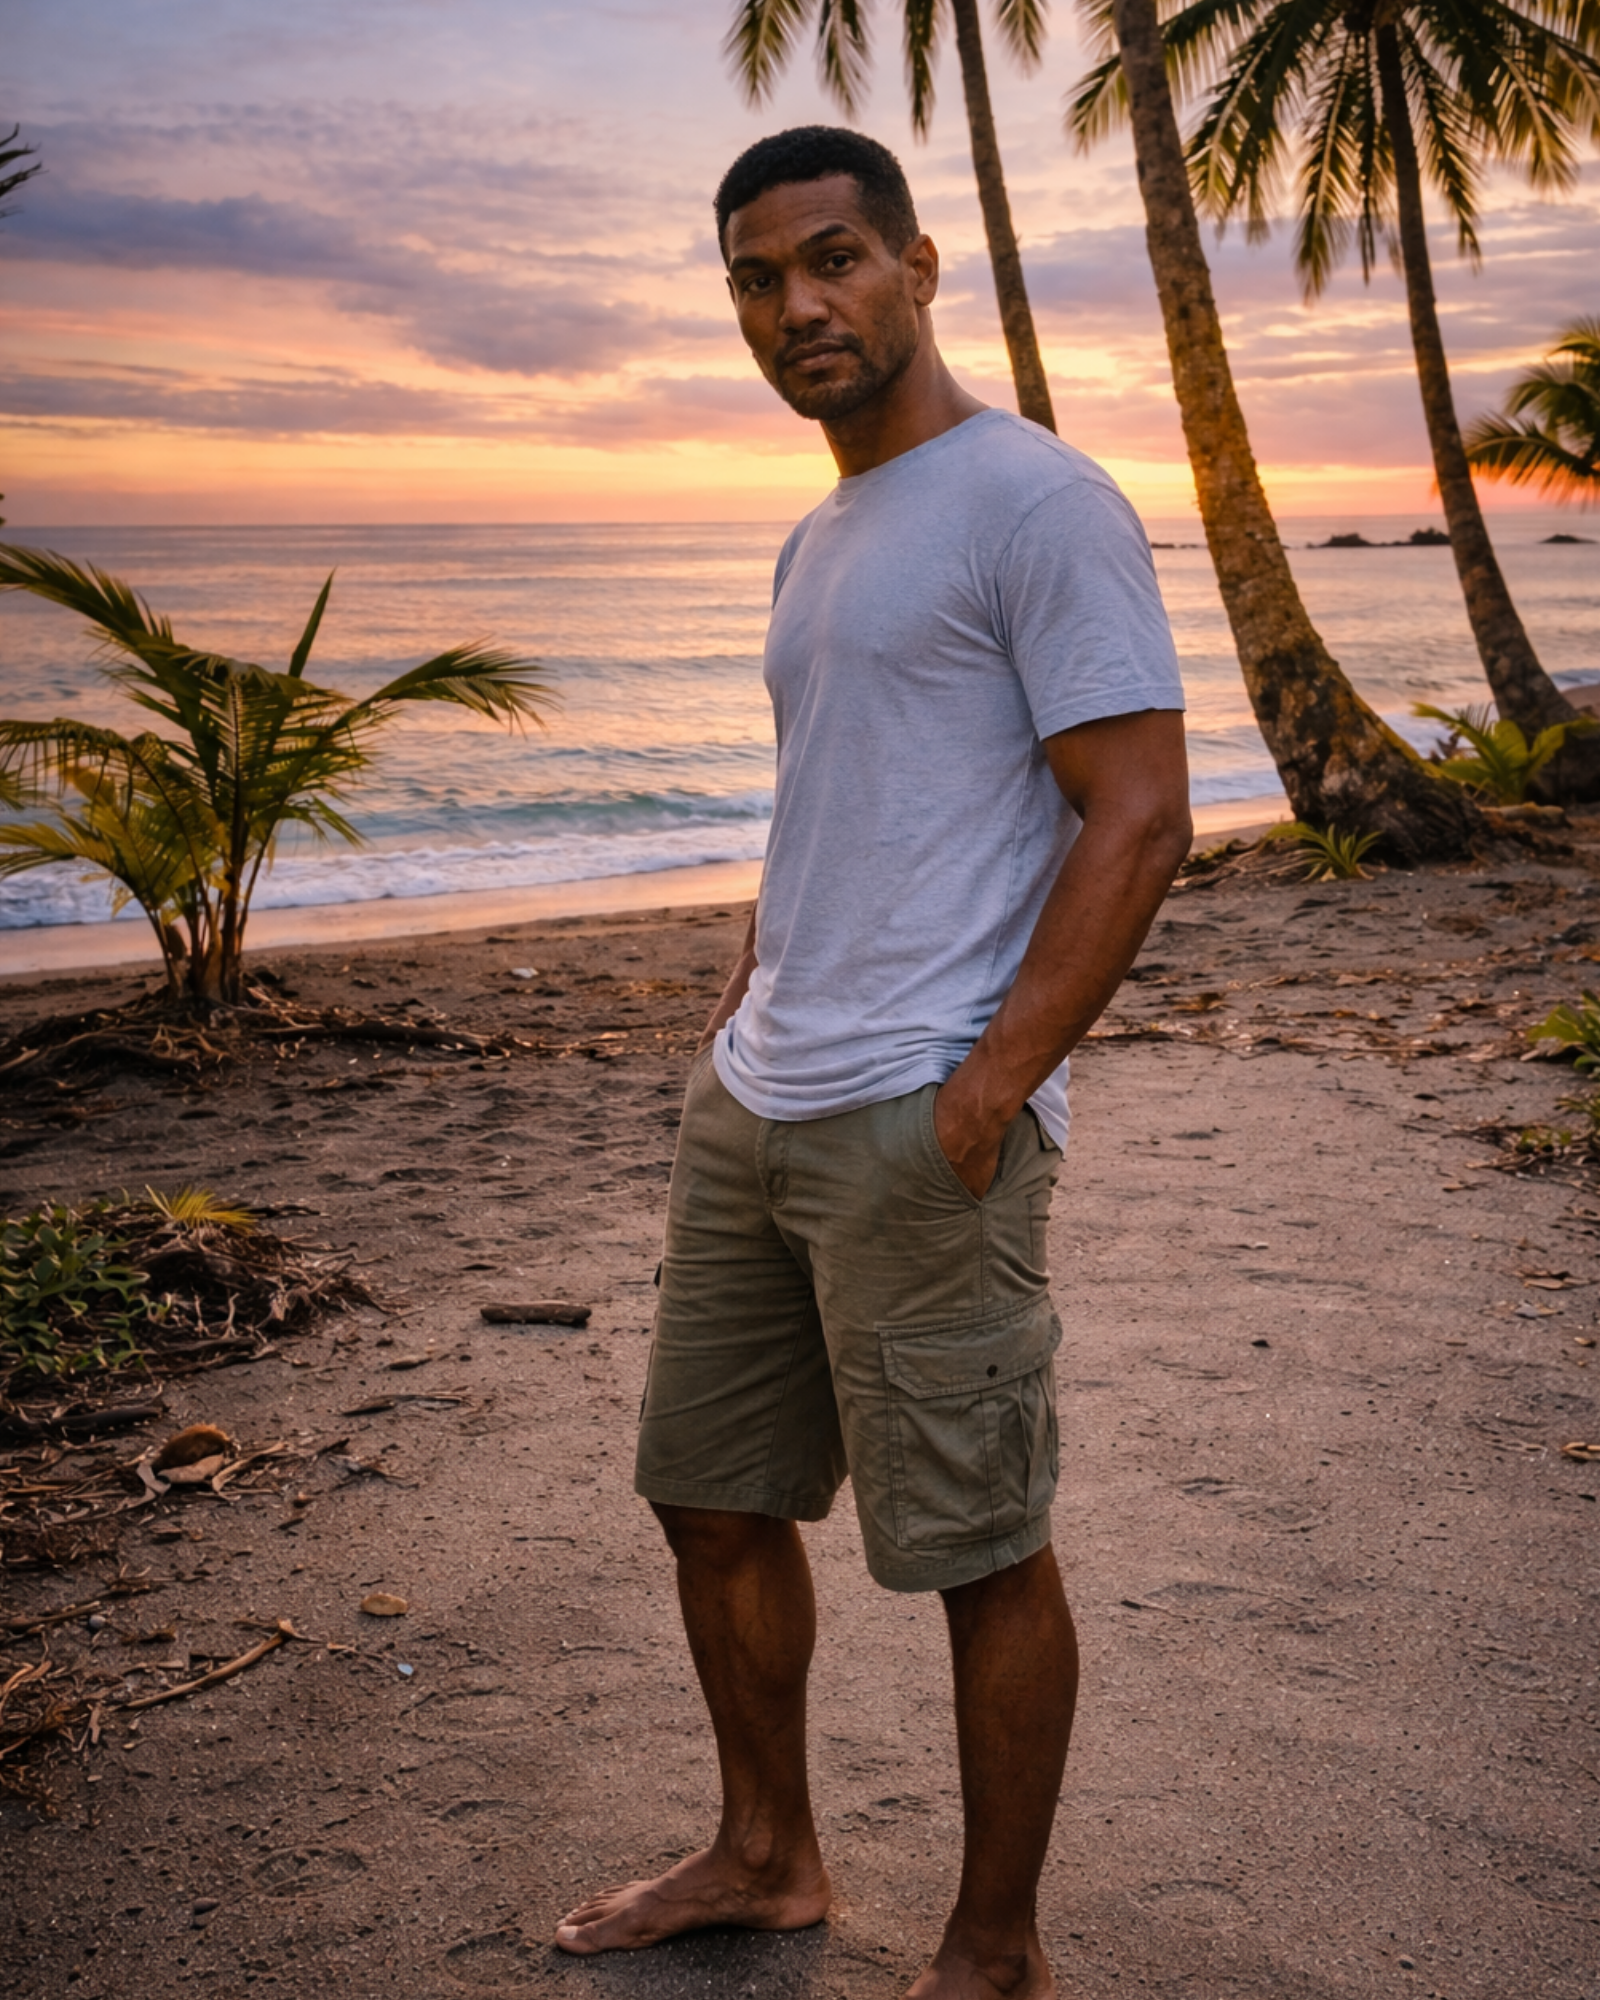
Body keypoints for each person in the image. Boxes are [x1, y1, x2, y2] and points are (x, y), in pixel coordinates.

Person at [555, 125, 1192, 1999]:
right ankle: (769, 1857)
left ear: (920, 265)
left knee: (976, 1541)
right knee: (712, 1495)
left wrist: (989, 1087)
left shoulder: (1037, 502)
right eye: (758, 278)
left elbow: (1139, 816)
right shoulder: (819, 528)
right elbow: (850, 776)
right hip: (760, 1093)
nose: (797, 307)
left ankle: (993, 1950)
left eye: (832, 261)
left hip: (925, 1110)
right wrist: (760, 957)